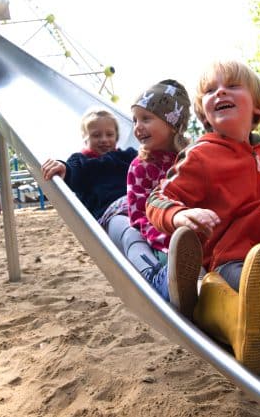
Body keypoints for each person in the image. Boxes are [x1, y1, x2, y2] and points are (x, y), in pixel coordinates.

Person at [146, 60, 260, 375]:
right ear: (204, 112)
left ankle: (231, 316)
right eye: (210, 91)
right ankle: (219, 310)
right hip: (231, 262)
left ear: (258, 106)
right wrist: (181, 214)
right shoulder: (201, 156)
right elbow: (157, 199)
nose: (220, 92)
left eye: (232, 86)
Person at [41, 106, 200, 315]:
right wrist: (61, 166)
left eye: (110, 134)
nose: (104, 139)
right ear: (85, 138)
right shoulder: (81, 161)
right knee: (130, 233)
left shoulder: (127, 156)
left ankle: (183, 270)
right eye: (96, 135)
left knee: (165, 226)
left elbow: (153, 165)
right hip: (111, 215)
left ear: (117, 136)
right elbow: (72, 172)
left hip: (141, 206)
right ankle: (154, 278)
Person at [115, 79, 202, 313]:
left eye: (146, 118)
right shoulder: (140, 166)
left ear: (172, 123)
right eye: (135, 120)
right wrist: (166, 241)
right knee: (130, 237)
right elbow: (139, 216)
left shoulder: (191, 159)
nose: (137, 127)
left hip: (189, 234)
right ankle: (160, 281)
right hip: (157, 238)